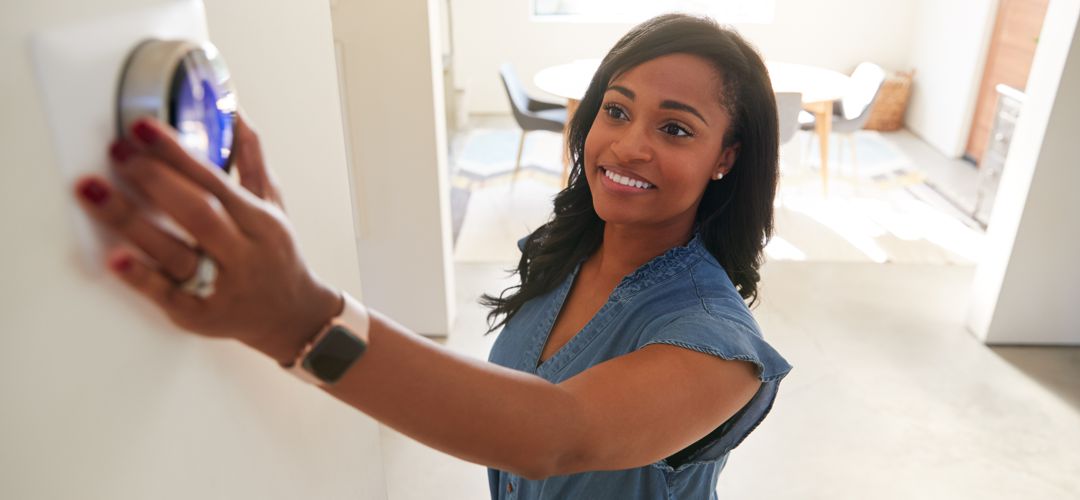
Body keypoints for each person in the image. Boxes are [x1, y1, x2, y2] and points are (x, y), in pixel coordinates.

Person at [73, 13, 791, 500]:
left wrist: (300, 318)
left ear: (727, 157)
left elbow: (552, 436)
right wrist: (279, 288)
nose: (628, 146)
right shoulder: (566, 253)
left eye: (674, 128)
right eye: (616, 109)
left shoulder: (718, 350)